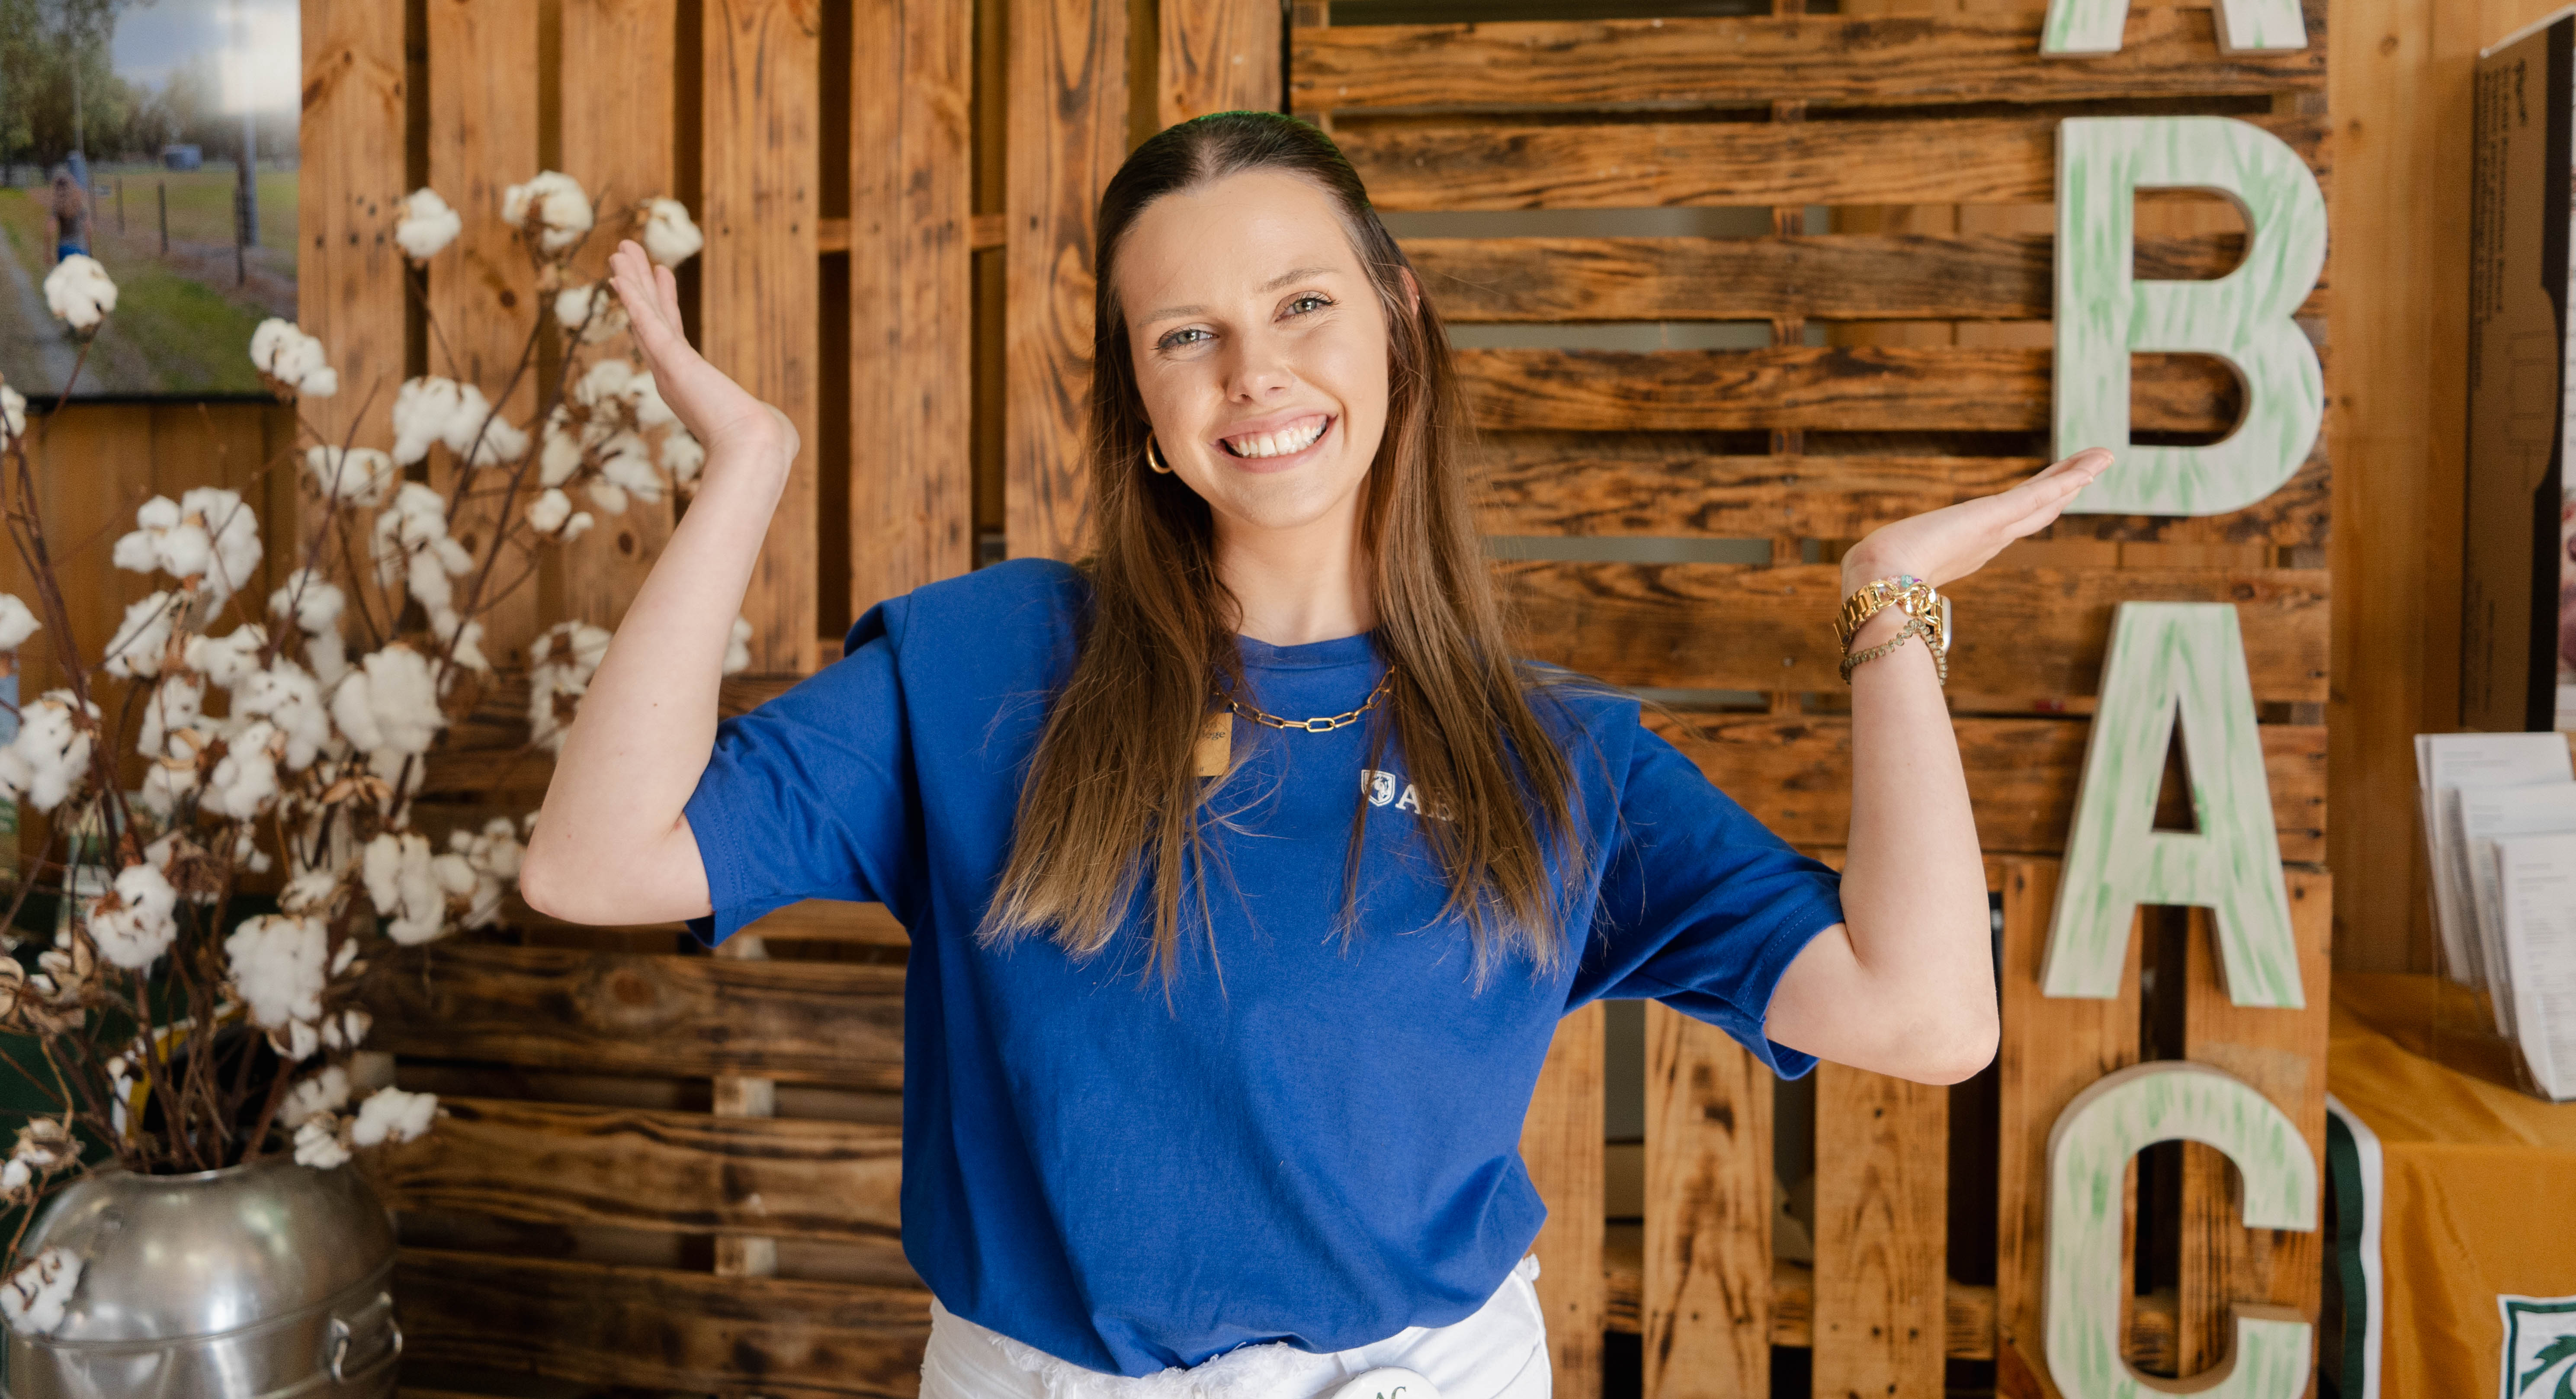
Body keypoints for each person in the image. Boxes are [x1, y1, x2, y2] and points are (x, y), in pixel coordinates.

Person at [520, 111, 2111, 1399]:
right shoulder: (980, 666)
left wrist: (1888, 603)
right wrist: (748, 462)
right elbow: (593, 861)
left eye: (1301, 305)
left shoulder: (1554, 755)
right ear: (1141, 404)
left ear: (1396, 323)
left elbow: (1925, 1014)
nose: (1252, 371)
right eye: (1186, 333)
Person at [45, 166, 90, 264]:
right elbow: (87, 227)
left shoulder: (57, 206)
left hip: (64, 249)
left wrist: (48, 252)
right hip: (81, 248)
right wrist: (89, 249)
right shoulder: (79, 203)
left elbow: (50, 230)